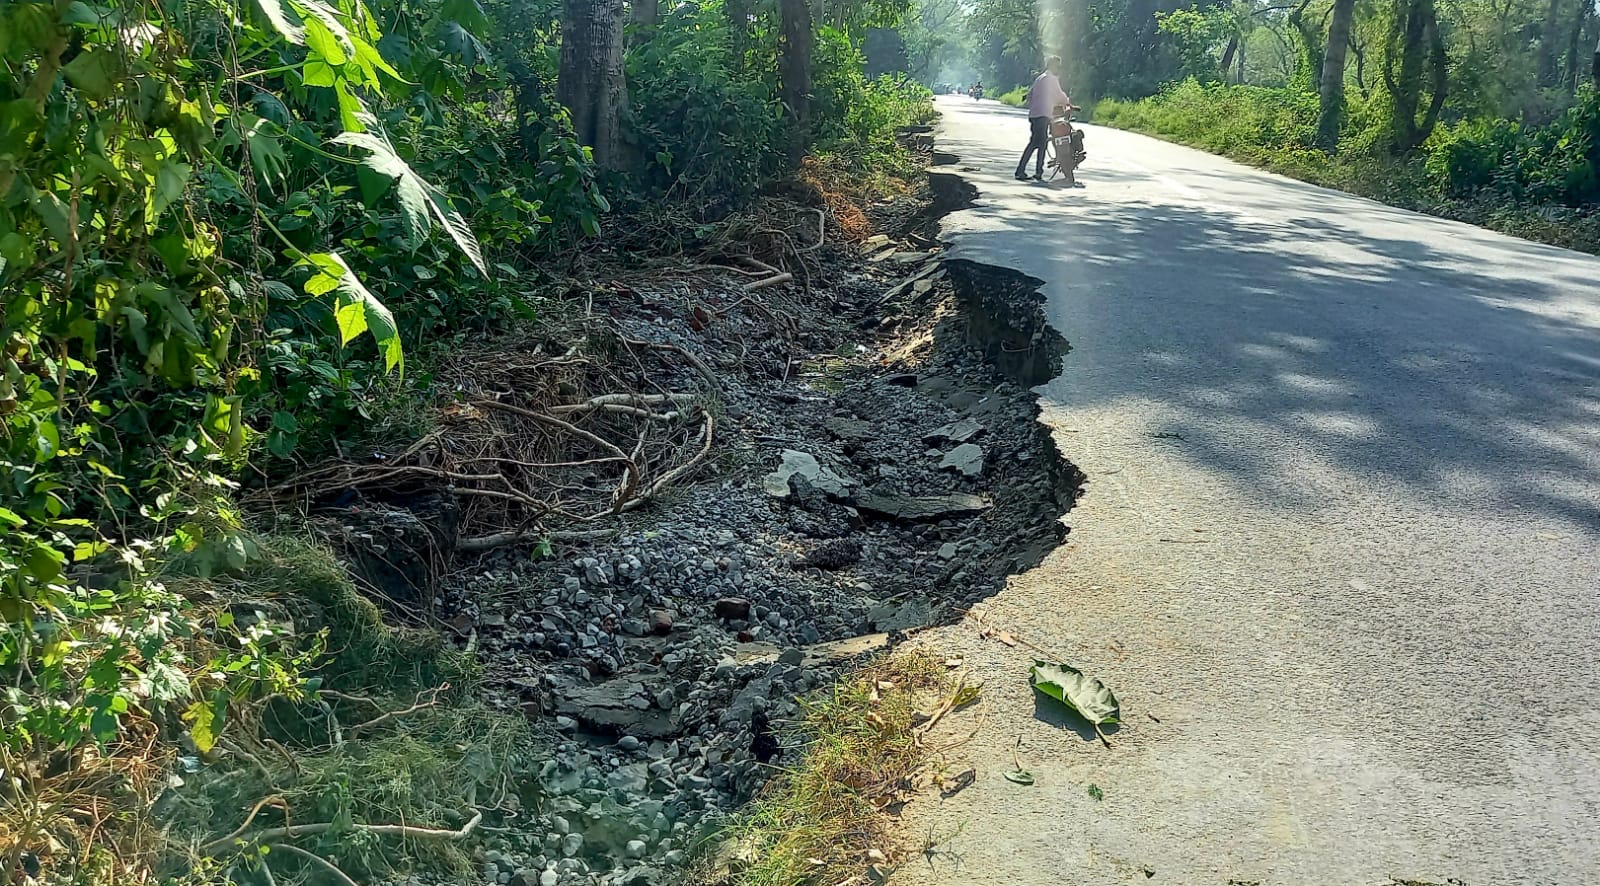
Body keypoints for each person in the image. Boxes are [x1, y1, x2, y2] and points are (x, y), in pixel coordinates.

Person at [1015, 57, 1072, 181]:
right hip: (1043, 115)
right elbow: (1059, 94)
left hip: (1035, 115)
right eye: (1057, 66)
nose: (1058, 69)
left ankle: (1036, 172)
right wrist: (1068, 104)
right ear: (1051, 66)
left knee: (1040, 144)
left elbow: (1030, 95)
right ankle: (1022, 171)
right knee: (1037, 143)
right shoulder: (1051, 79)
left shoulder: (1040, 78)